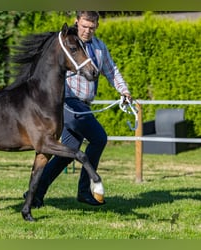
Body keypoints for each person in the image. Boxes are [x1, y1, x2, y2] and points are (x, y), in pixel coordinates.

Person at [24, 11, 132, 207]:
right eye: (84, 26)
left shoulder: (99, 48)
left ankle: (35, 193)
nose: (87, 31)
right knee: (99, 138)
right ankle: (85, 190)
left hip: (84, 105)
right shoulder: (67, 44)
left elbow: (111, 71)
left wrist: (124, 91)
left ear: (97, 27)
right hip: (67, 103)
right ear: (77, 23)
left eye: (91, 27)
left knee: (67, 152)